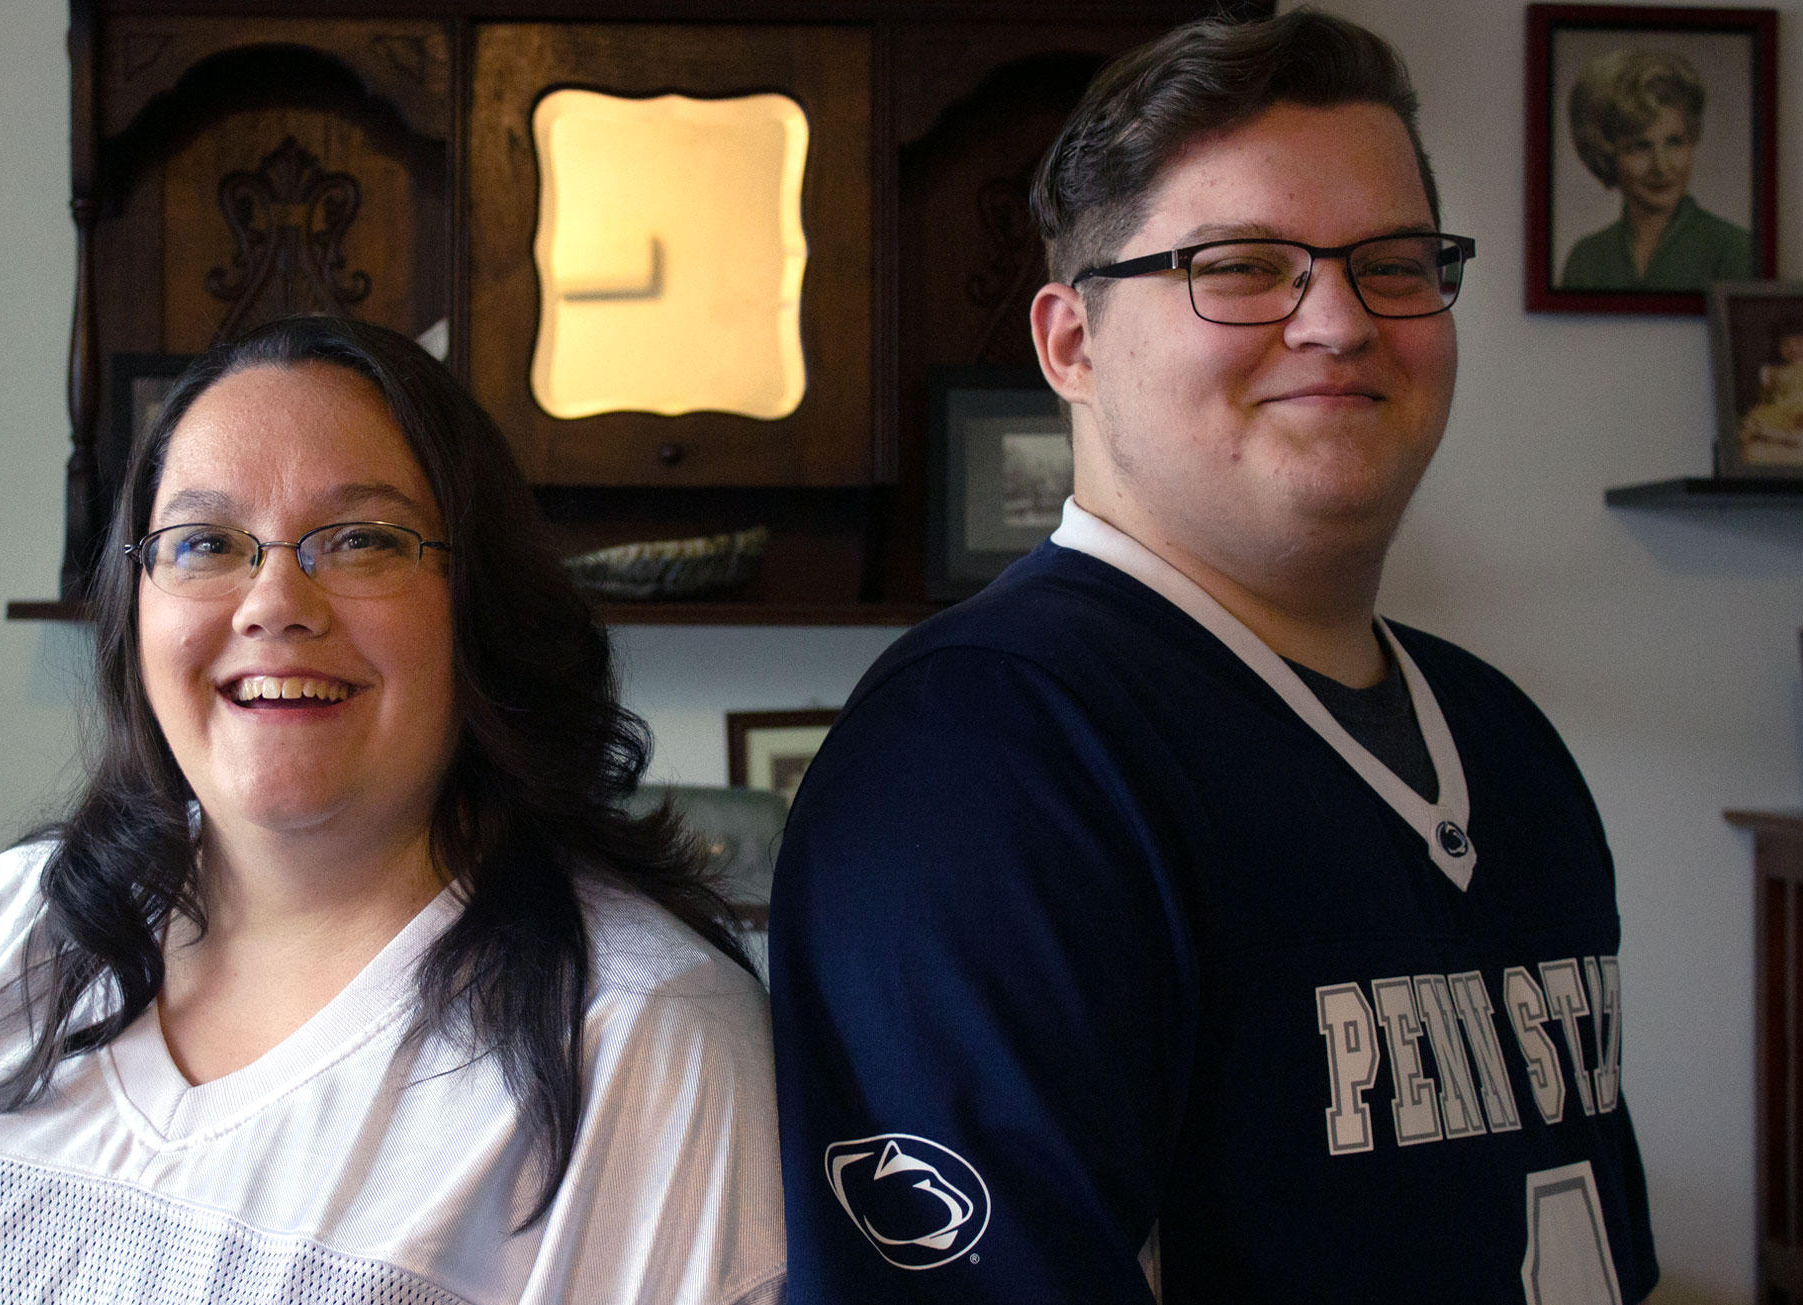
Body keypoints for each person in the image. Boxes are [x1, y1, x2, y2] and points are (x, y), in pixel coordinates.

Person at [771, 12, 1656, 1304]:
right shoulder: (982, 754)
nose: (1340, 321)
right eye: (1243, 266)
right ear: (1071, 343)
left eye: (1396, 262)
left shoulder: (1502, 738)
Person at [0, 316, 784, 1304]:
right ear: (138, 608)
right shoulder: (7, 923)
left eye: (359, 541)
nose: (273, 602)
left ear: (480, 604)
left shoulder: (642, 1040)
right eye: (206, 542)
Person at [1558, 47, 1752, 291]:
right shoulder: (1586, 259)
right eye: (1639, 147)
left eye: (1674, 142)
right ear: (1606, 154)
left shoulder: (1735, 250)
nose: (1661, 167)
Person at [1738, 317, 1803, 466]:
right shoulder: (1772, 371)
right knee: (1748, 428)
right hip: (1779, 412)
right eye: (1786, 344)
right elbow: (1766, 399)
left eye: (1799, 342)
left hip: (1799, 411)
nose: (1793, 349)